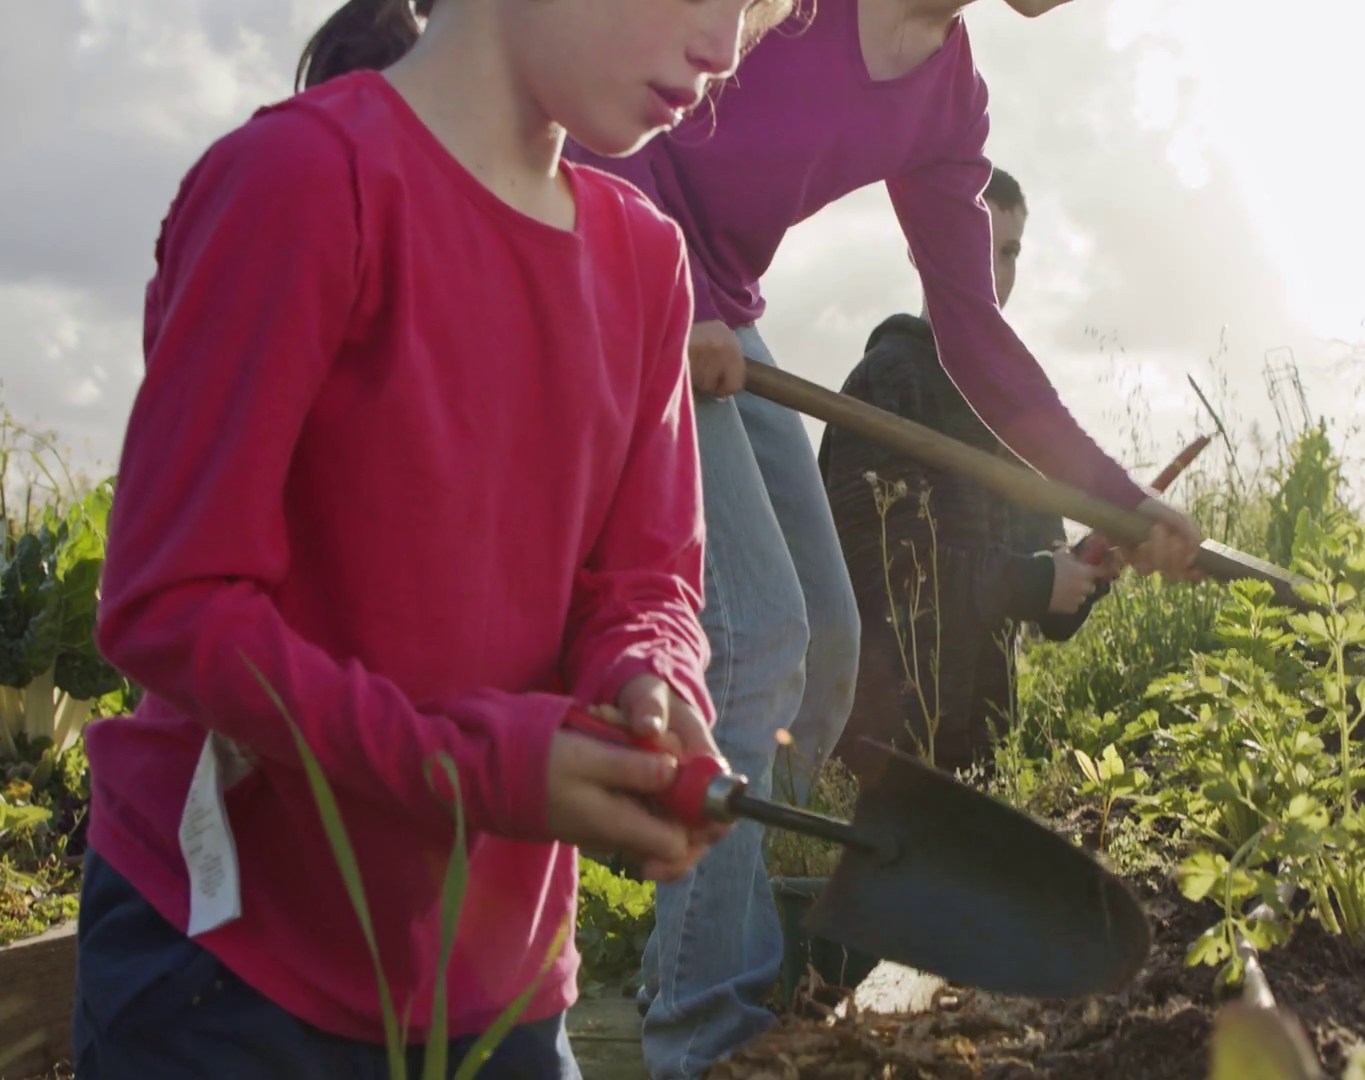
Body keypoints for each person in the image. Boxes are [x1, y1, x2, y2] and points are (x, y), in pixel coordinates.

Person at [68, 0, 787, 1075]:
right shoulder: (304, 181)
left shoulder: (645, 259)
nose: (723, 50)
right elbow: (170, 606)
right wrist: (471, 772)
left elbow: (645, 583)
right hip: (230, 973)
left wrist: (649, 680)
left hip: (496, 990)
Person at [565, 0, 1205, 1074]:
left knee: (826, 636)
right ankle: (702, 1032)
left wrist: (1114, 497)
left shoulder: (948, 99)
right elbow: (600, 101)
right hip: (616, 249)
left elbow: (973, 332)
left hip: (724, 308)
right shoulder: (800, 11)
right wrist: (669, 295)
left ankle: (717, 933)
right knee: (757, 636)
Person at [820, 166, 1111, 781]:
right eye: (976, 247)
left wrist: (1082, 571)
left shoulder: (1012, 410)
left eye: (1009, 253)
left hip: (985, 754)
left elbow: (1043, 588)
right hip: (887, 756)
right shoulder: (883, 385)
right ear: (921, 248)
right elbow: (896, 581)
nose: (993, 273)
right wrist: (1036, 581)